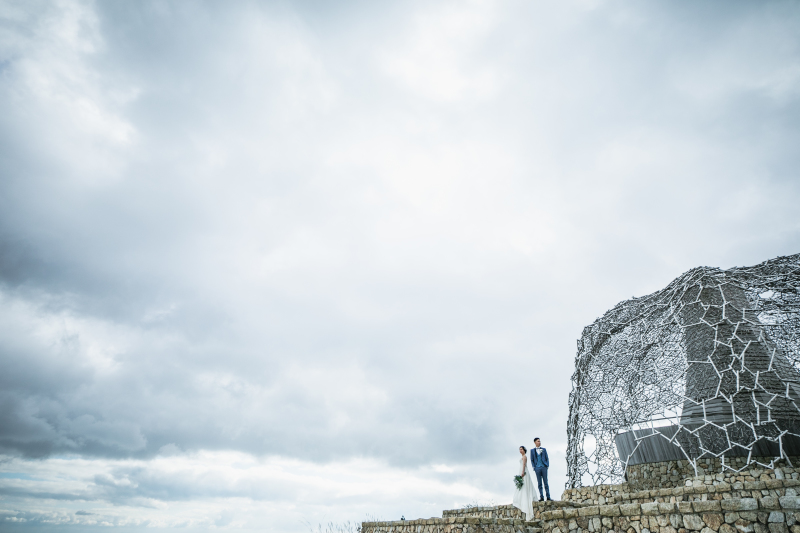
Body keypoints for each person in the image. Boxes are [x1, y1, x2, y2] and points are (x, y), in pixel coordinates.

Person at [512, 445, 536, 520]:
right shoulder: (522, 456)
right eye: (519, 449)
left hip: (524, 471)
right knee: (522, 486)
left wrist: (522, 472)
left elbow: (524, 465)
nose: (520, 451)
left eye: (521, 449)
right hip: (521, 471)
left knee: (525, 485)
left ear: (524, 450)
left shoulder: (525, 456)